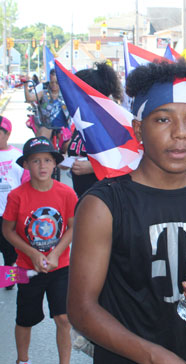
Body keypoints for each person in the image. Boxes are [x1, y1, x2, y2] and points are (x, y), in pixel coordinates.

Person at [67, 61, 186, 364]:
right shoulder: (103, 205)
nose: (180, 134)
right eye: (163, 119)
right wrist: (153, 356)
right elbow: (82, 309)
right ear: (138, 128)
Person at [2, 136, 78, 364]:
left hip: (60, 267)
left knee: (63, 318)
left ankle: (64, 362)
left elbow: (73, 227)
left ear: (55, 164)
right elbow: (8, 231)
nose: (42, 165)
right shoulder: (17, 195)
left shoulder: (66, 193)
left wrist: (55, 253)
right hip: (27, 269)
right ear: (25, 165)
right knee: (25, 319)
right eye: (35, 161)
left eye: (47, 160)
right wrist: (33, 253)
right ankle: (22, 360)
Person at [66, 62, 123, 197]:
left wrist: (92, 167)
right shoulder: (82, 118)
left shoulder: (112, 119)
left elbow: (128, 159)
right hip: (84, 196)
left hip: (107, 199)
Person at [0, 117, 30, 285]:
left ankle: (10, 280)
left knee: (11, 252)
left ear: (8, 134)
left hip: (10, 214)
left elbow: (26, 184)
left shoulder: (17, 158)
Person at [23, 69, 70, 141]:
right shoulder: (43, 92)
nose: (54, 85)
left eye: (57, 83)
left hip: (62, 127)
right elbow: (29, 98)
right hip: (46, 126)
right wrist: (26, 85)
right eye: (52, 82)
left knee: (67, 144)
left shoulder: (66, 93)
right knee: (42, 141)